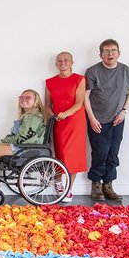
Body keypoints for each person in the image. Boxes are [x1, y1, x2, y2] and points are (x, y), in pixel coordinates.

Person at [84, 39, 129, 201]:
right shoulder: (92, 71)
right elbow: (85, 97)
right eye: (106, 51)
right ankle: (96, 185)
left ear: (119, 53)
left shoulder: (125, 70)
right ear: (100, 55)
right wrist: (91, 118)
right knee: (100, 153)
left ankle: (108, 185)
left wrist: (123, 112)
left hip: (117, 120)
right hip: (98, 119)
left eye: (113, 50)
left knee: (113, 153)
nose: (110, 54)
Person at [0, 91, 47, 192]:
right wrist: (5, 141)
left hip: (25, 148)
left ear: (36, 101)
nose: (23, 99)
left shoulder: (33, 117)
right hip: (22, 145)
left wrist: (5, 141)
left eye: (28, 98)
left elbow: (23, 138)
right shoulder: (29, 115)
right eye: (21, 97)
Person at [43, 52, 87, 203]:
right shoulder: (49, 82)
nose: (63, 63)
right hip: (58, 122)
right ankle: (57, 182)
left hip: (75, 121)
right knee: (60, 154)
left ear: (71, 62)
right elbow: (47, 105)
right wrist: (53, 116)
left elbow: (79, 102)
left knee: (73, 156)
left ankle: (69, 189)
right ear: (56, 64)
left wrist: (65, 114)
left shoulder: (79, 79)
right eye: (59, 61)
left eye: (66, 60)